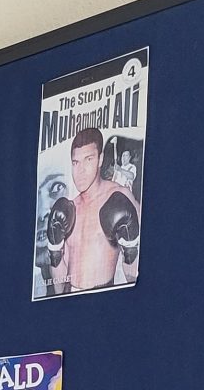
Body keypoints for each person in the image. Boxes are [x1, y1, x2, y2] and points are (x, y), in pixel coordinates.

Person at [40, 124, 140, 293]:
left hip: (104, 297)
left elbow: (135, 278)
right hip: (69, 296)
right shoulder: (69, 209)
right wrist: (55, 252)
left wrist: (131, 249)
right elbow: (59, 287)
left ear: (100, 159)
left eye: (89, 159)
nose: (81, 171)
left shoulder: (120, 196)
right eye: (76, 162)